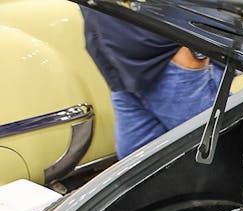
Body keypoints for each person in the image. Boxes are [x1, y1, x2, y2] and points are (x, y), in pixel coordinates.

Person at [81, 8, 223, 158]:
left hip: (167, 62)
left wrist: (190, 50)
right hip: (123, 72)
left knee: (216, 152)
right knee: (136, 165)